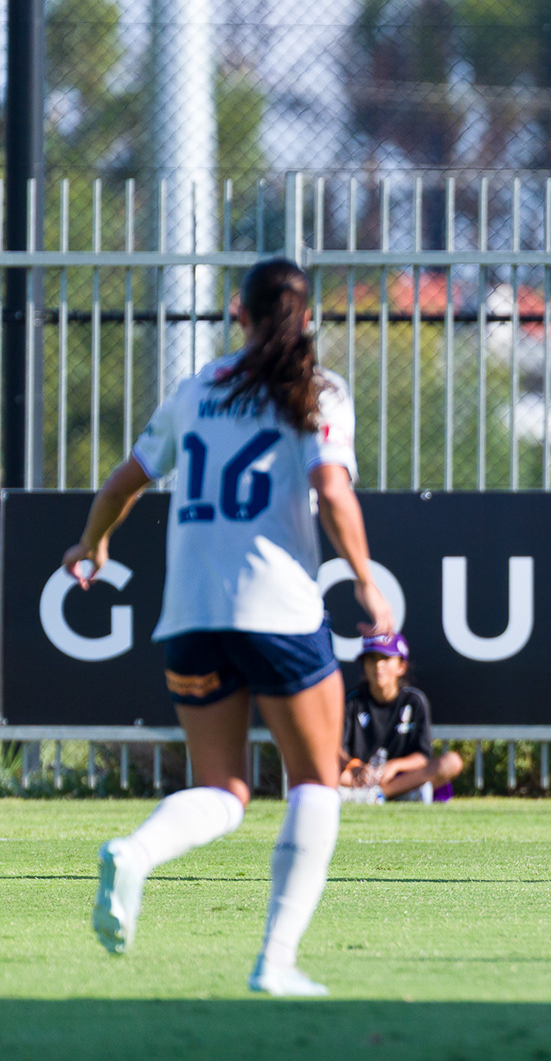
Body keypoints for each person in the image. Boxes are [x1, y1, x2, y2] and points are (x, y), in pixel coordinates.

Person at [64, 258, 393, 997]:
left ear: (237, 313)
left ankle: (137, 851)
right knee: (316, 781)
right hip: (279, 612)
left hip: (190, 616)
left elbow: (125, 480)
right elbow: (332, 490)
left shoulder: (195, 391)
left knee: (222, 787)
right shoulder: (316, 391)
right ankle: (275, 961)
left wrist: (92, 542)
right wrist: (367, 584)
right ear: (308, 319)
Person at [341, 632, 463, 802]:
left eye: (385, 658)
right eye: (371, 659)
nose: (378, 665)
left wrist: (394, 766)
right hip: (360, 777)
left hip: (400, 778)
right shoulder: (351, 702)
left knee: (452, 762)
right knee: (321, 769)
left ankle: (379, 795)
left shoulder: (414, 701)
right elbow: (336, 750)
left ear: (401, 667)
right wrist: (356, 766)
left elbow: (422, 756)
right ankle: (387, 795)